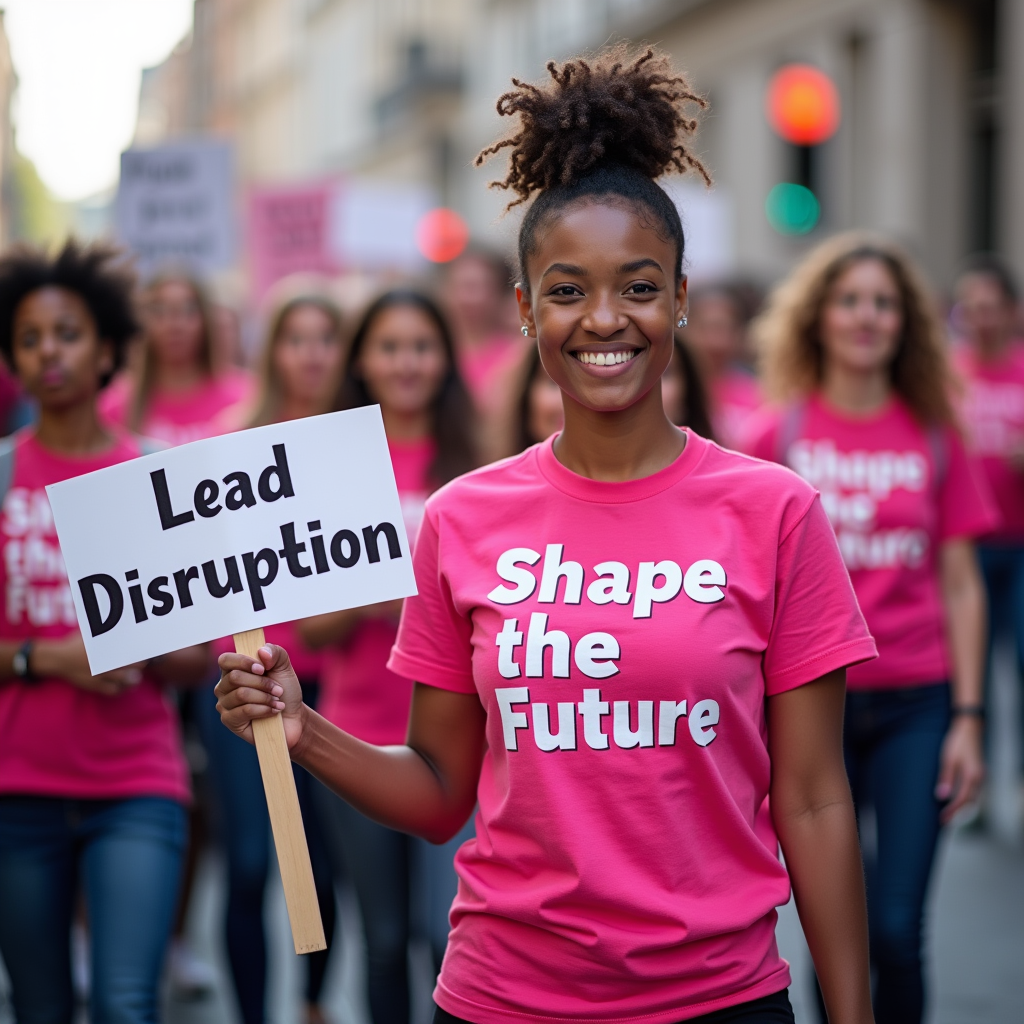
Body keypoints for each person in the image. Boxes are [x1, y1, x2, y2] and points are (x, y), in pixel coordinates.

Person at [217, 47, 879, 1024]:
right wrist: (300, 726)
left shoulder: (774, 510)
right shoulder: (461, 518)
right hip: (503, 998)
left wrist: (853, 1012)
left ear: (681, 299)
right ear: (526, 311)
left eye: (639, 286)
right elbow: (441, 789)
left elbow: (816, 799)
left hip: (719, 998)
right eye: (567, 290)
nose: (603, 318)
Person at [744, 232, 996, 1024]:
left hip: (918, 705)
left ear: (905, 323)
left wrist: (970, 717)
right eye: (850, 300)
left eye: (883, 303)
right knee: (833, 930)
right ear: (818, 317)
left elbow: (961, 583)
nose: (867, 316)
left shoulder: (934, 433)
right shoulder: (772, 438)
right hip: (810, 709)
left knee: (894, 928)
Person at [0, 239, 209, 1024]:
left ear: (108, 349)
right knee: (42, 1006)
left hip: (136, 786)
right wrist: (45, 656)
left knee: (127, 1003)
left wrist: (143, 642)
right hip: (16, 791)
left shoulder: (155, 478)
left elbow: (197, 657)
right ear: (13, 360)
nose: (49, 350)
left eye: (68, 332)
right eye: (29, 337)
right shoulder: (2, 477)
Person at [296, 288, 477, 1024]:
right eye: (390, 347)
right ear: (362, 361)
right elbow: (309, 631)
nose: (407, 363)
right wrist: (388, 597)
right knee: (382, 937)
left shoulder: (479, 463)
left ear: (446, 361)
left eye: (422, 346)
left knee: (448, 936)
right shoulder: (330, 465)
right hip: (358, 729)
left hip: (462, 742)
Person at [198, 290, 345, 1024]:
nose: (312, 353)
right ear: (273, 350)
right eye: (297, 338)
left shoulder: (357, 446)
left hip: (333, 678)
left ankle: (315, 1002)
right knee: (252, 862)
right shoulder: (229, 446)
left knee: (320, 861)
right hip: (242, 679)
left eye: (326, 337)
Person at [950, 255, 1024, 784]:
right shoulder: (948, 374)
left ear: (1011, 311)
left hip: (1021, 545)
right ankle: (981, 773)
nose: (981, 318)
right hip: (967, 545)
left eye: (991, 307)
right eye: (971, 308)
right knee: (971, 664)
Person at [99, 269, 251, 445]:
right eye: (159, 311)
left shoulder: (246, 399)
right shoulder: (114, 409)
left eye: (189, 310)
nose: (175, 324)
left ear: (206, 320)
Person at [508, 335, 713, 455]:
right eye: (555, 381)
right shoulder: (482, 503)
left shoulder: (737, 492)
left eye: (657, 374)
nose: (601, 393)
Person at [443, 248, 526, 455]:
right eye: (462, 286)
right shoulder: (435, 349)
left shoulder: (517, 353)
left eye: (479, 287)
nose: (469, 297)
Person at [683, 284, 761, 448]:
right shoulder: (671, 393)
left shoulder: (759, 395)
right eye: (707, 328)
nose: (716, 341)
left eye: (726, 328)